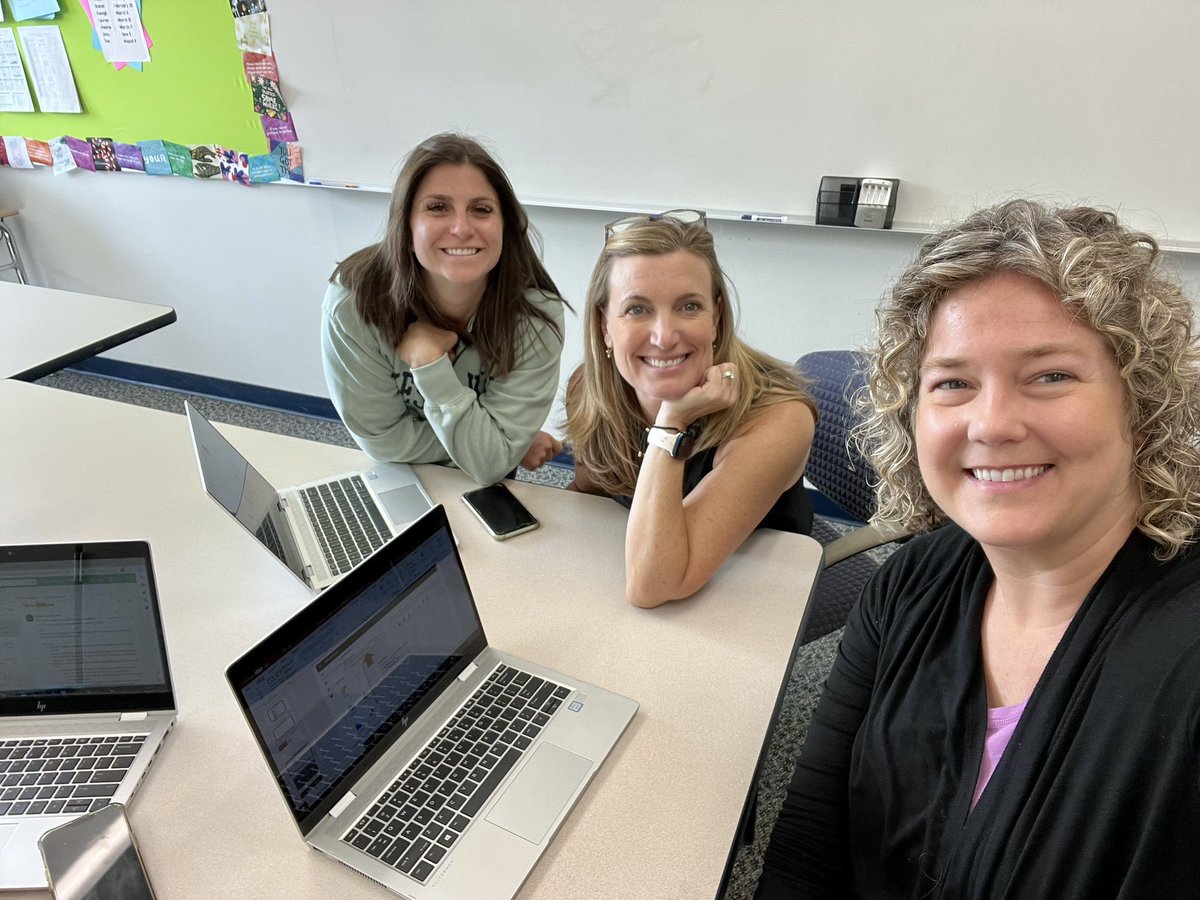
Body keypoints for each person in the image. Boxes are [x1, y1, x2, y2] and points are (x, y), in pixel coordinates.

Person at [757, 199, 1200, 898]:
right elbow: (812, 841)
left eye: (1050, 375)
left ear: (1140, 406)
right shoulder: (909, 587)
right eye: (954, 383)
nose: (991, 424)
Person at [566, 210, 816, 608]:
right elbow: (587, 495)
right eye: (636, 309)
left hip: (751, 599)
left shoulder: (779, 418)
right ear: (604, 325)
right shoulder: (590, 389)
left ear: (716, 318)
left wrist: (671, 423)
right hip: (640, 572)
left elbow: (655, 587)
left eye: (688, 307)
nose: (664, 336)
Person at [321, 133, 569, 486]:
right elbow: (382, 441)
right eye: (437, 207)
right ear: (406, 226)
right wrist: (498, 444)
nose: (461, 228)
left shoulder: (536, 317)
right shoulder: (355, 302)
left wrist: (430, 366)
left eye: (481, 209)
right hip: (403, 478)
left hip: (488, 484)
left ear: (505, 226)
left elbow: (491, 465)